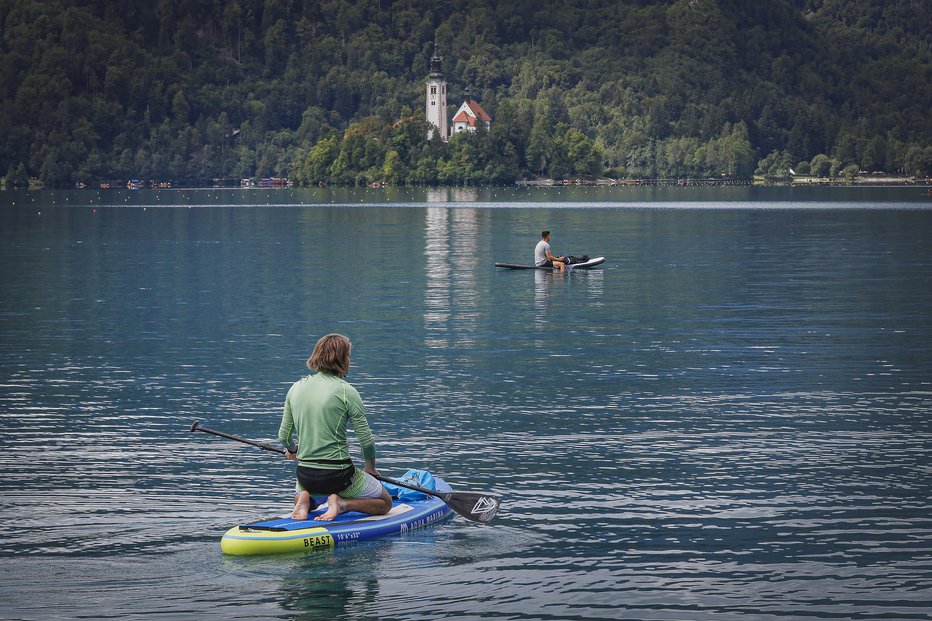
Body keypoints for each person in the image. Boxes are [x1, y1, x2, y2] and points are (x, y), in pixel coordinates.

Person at [279, 333, 393, 522]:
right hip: (339, 476)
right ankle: (342, 504)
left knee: (308, 488)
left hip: (306, 474)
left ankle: (304, 500)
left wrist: (293, 450)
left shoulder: (295, 388)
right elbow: (367, 442)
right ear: (342, 359)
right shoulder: (346, 391)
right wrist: (370, 468)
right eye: (348, 356)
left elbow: (283, 436)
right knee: (385, 502)